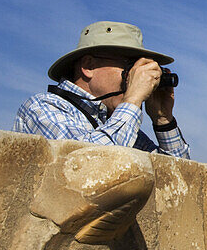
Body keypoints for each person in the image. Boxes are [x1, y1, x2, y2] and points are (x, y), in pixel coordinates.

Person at [14, 21, 189, 158]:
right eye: (130, 67)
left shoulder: (117, 128)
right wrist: (133, 98)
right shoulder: (41, 108)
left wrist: (163, 120)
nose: (136, 77)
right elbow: (93, 167)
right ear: (88, 66)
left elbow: (179, 182)